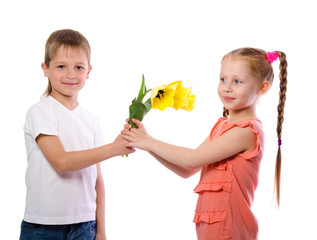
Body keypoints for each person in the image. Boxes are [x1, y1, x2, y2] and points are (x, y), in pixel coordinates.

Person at [121, 48, 288, 240]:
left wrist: (148, 142)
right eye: (223, 79)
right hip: (211, 231)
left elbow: (192, 159)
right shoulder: (222, 126)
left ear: (263, 88)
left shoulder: (247, 131)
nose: (227, 87)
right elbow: (186, 170)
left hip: (231, 232)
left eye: (237, 81)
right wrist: (145, 142)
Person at [20, 29, 135, 240]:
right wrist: (114, 148)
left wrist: (101, 231)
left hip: (85, 225)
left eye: (79, 67)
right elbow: (61, 162)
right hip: (43, 226)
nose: (71, 74)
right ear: (45, 68)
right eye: (61, 66)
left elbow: (97, 180)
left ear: (89, 71)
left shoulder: (91, 121)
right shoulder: (40, 112)